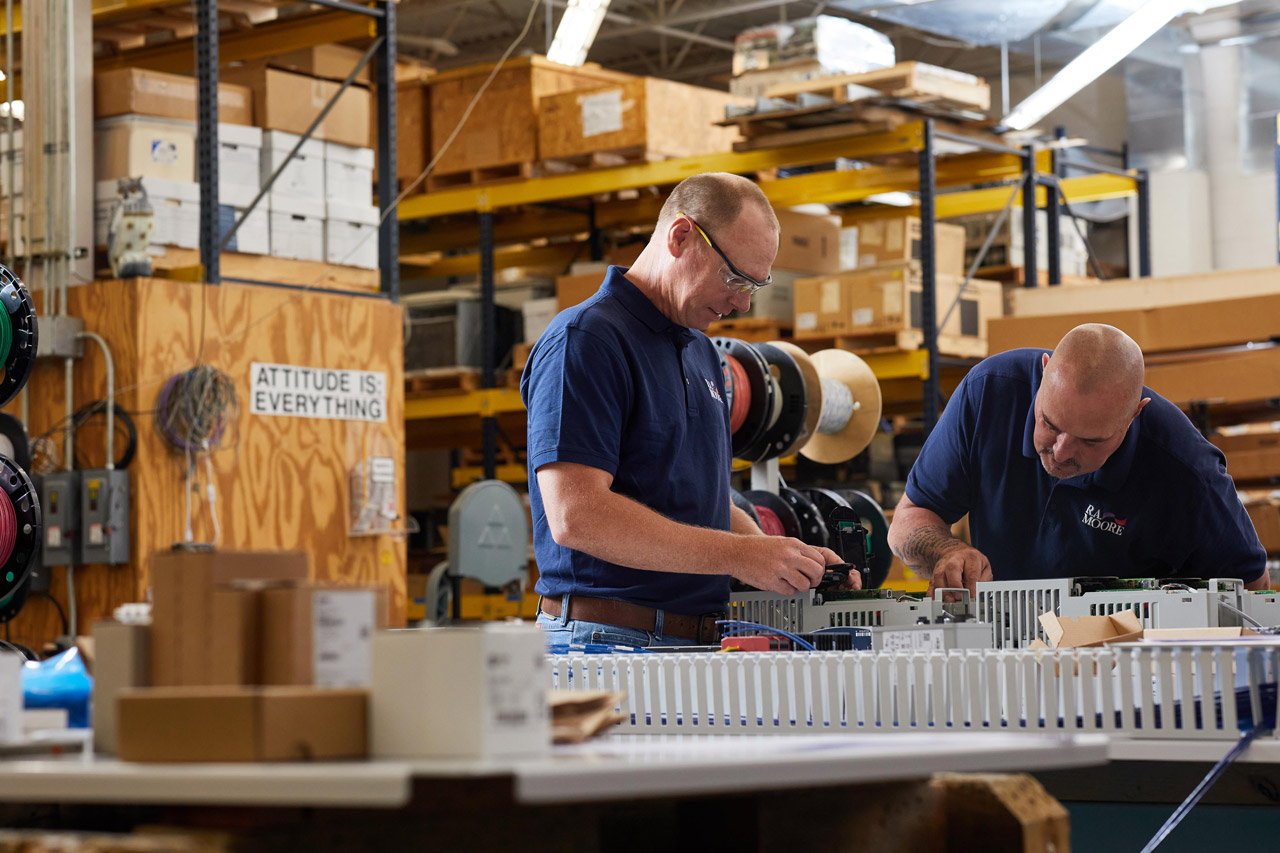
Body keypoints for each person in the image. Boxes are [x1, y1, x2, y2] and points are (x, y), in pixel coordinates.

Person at [521, 172, 855, 649]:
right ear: (681, 237)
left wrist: (777, 555)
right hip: (602, 641)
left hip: (693, 641)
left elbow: (707, 500)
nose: (741, 303)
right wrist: (739, 556)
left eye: (755, 286)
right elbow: (577, 515)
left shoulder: (703, 352)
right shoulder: (587, 341)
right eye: (734, 278)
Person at [888, 323, 1271, 597]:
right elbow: (909, 517)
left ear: (1134, 415)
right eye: (1049, 424)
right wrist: (947, 551)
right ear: (1042, 375)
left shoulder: (1185, 470)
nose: (1060, 452)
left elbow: (1251, 591)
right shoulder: (989, 394)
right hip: (1004, 648)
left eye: (1091, 440)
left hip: (1131, 668)